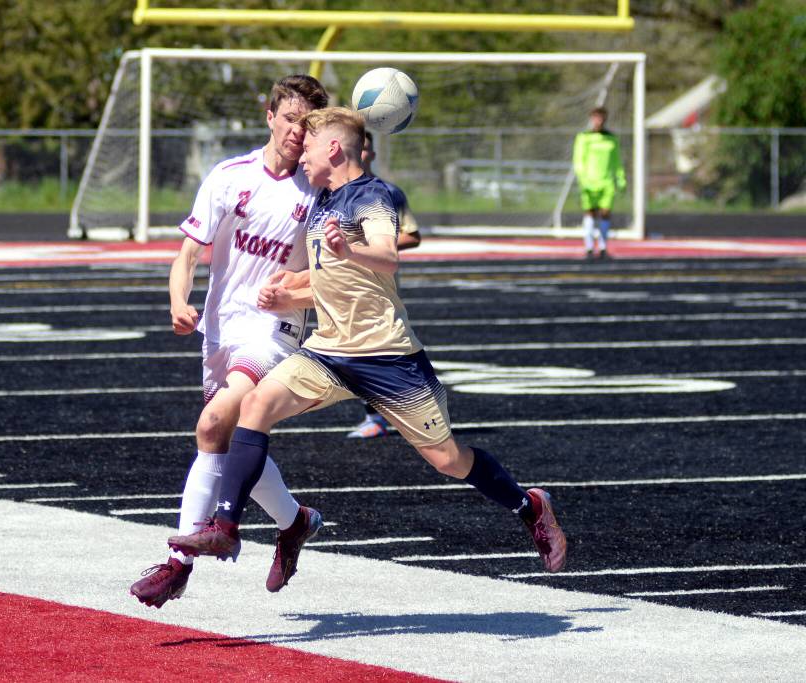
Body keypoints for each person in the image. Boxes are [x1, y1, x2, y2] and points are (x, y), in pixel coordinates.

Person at [168, 107, 567, 579]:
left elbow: (388, 257)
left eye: (310, 145)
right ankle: (226, 525)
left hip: (387, 356)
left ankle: (530, 505)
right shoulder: (320, 200)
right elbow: (332, 279)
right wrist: (290, 292)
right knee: (253, 406)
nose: (302, 155)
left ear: (333, 148)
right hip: (329, 350)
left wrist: (347, 249)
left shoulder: (372, 195)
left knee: (449, 459)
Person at [129, 75, 330, 609]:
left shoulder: (321, 192)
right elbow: (188, 253)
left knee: (212, 425)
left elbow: (333, 279)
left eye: (308, 125)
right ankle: (295, 522)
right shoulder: (228, 177)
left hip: (274, 334)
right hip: (219, 329)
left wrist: (295, 296)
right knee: (235, 442)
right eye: (290, 120)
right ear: (269, 116)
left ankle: (179, 563)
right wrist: (178, 302)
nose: (297, 132)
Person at [346, 129, 421, 439]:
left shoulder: (389, 192)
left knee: (380, 352)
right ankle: (377, 414)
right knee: (354, 353)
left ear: (372, 154)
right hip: (345, 288)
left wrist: (371, 247)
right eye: (356, 148)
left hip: (380, 288)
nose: (360, 155)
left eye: (365, 149)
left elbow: (412, 235)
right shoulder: (333, 193)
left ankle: (383, 416)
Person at [572, 106, 626, 260]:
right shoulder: (584, 137)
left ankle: (602, 248)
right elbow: (578, 161)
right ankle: (589, 248)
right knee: (589, 213)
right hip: (589, 182)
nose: (598, 121)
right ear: (591, 119)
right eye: (595, 118)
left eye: (601, 118)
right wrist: (583, 179)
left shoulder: (612, 139)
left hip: (607, 183)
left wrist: (620, 178)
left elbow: (617, 161)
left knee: (605, 213)